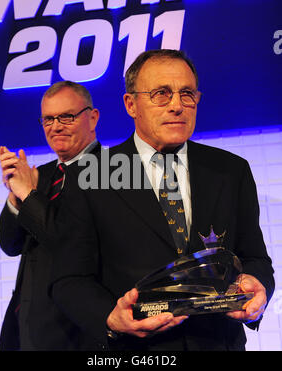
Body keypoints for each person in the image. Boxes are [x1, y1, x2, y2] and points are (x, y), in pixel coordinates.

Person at [50, 50, 275, 351]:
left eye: (187, 94)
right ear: (131, 104)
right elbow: (68, 280)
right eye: (161, 94)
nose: (177, 106)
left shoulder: (231, 170)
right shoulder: (89, 175)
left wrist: (259, 288)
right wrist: (110, 317)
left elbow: (255, 259)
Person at [0, 81, 100, 350]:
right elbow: (10, 245)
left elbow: (67, 242)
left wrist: (28, 195)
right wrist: (15, 197)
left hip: (79, 335)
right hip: (28, 332)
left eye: (67, 116)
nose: (56, 126)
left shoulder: (113, 172)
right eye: (48, 119)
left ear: (92, 117)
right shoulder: (40, 176)